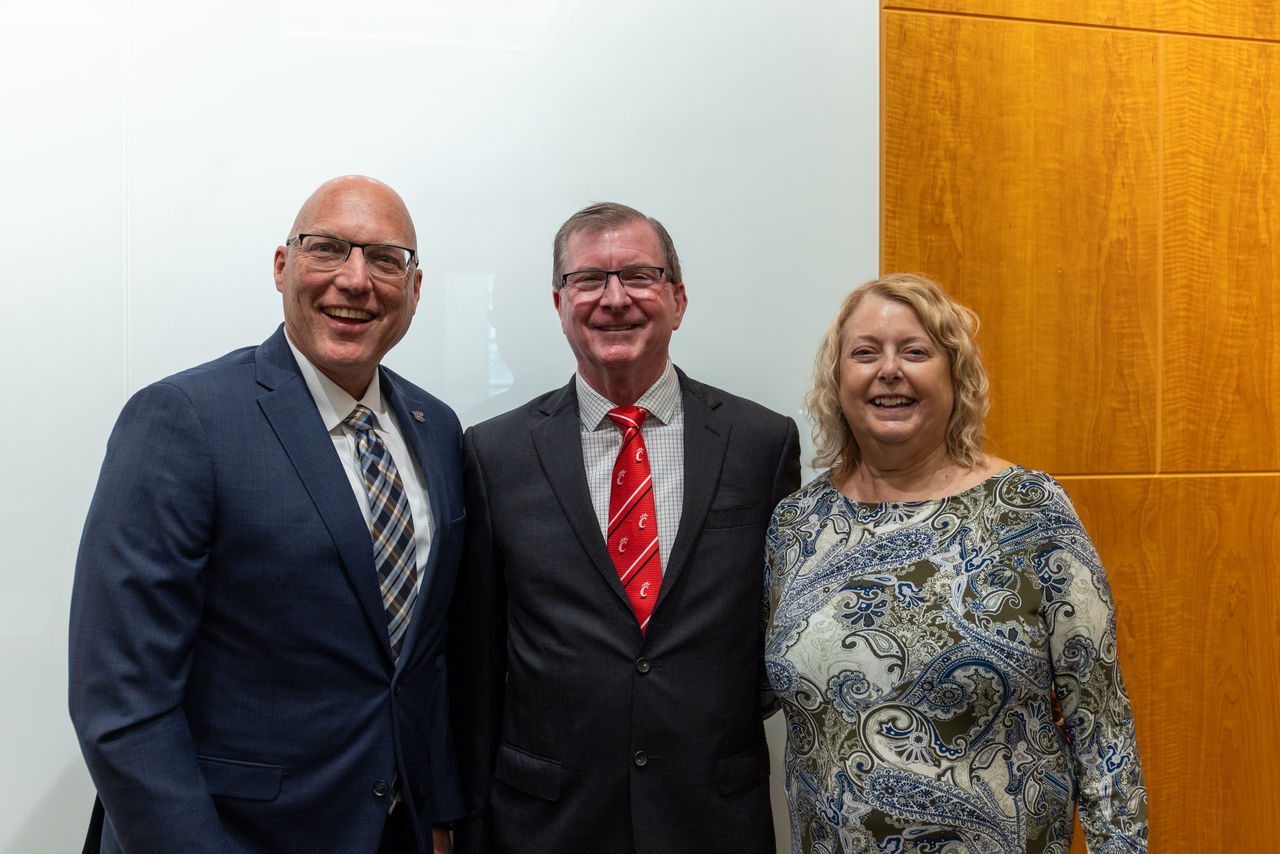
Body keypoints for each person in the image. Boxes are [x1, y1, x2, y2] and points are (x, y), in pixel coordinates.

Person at [69, 176, 464, 854]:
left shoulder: (437, 428)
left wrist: (441, 815)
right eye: (328, 248)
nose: (355, 279)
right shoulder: (185, 420)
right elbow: (121, 701)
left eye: (385, 259)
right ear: (283, 267)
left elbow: (426, 661)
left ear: (415, 288)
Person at [449, 202, 801, 854]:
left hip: (711, 816)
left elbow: (780, 626)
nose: (614, 299)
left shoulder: (761, 444)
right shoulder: (491, 454)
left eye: (638, 275)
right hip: (544, 823)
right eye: (588, 280)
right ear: (559, 303)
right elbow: (477, 660)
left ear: (678, 297)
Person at [765, 273, 1149, 853]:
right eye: (864, 353)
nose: (888, 370)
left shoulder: (1030, 511)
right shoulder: (797, 527)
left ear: (955, 376)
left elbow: (1102, 727)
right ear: (837, 380)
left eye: (915, 351)